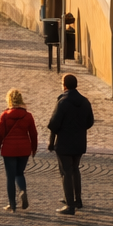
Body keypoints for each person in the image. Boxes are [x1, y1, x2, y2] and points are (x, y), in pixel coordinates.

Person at [47, 74, 94, 214]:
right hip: (79, 141)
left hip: (64, 142)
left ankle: (70, 205)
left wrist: (51, 142)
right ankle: (77, 200)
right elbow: (90, 122)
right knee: (75, 170)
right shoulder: (85, 102)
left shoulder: (63, 102)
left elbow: (54, 124)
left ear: (65, 85)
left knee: (66, 172)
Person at [0, 89, 39, 211]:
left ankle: (12, 204)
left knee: (10, 177)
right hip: (24, 149)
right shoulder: (28, 116)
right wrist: (34, 148)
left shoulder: (5, 115)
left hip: (9, 149)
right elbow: (33, 134)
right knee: (19, 173)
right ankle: (23, 190)